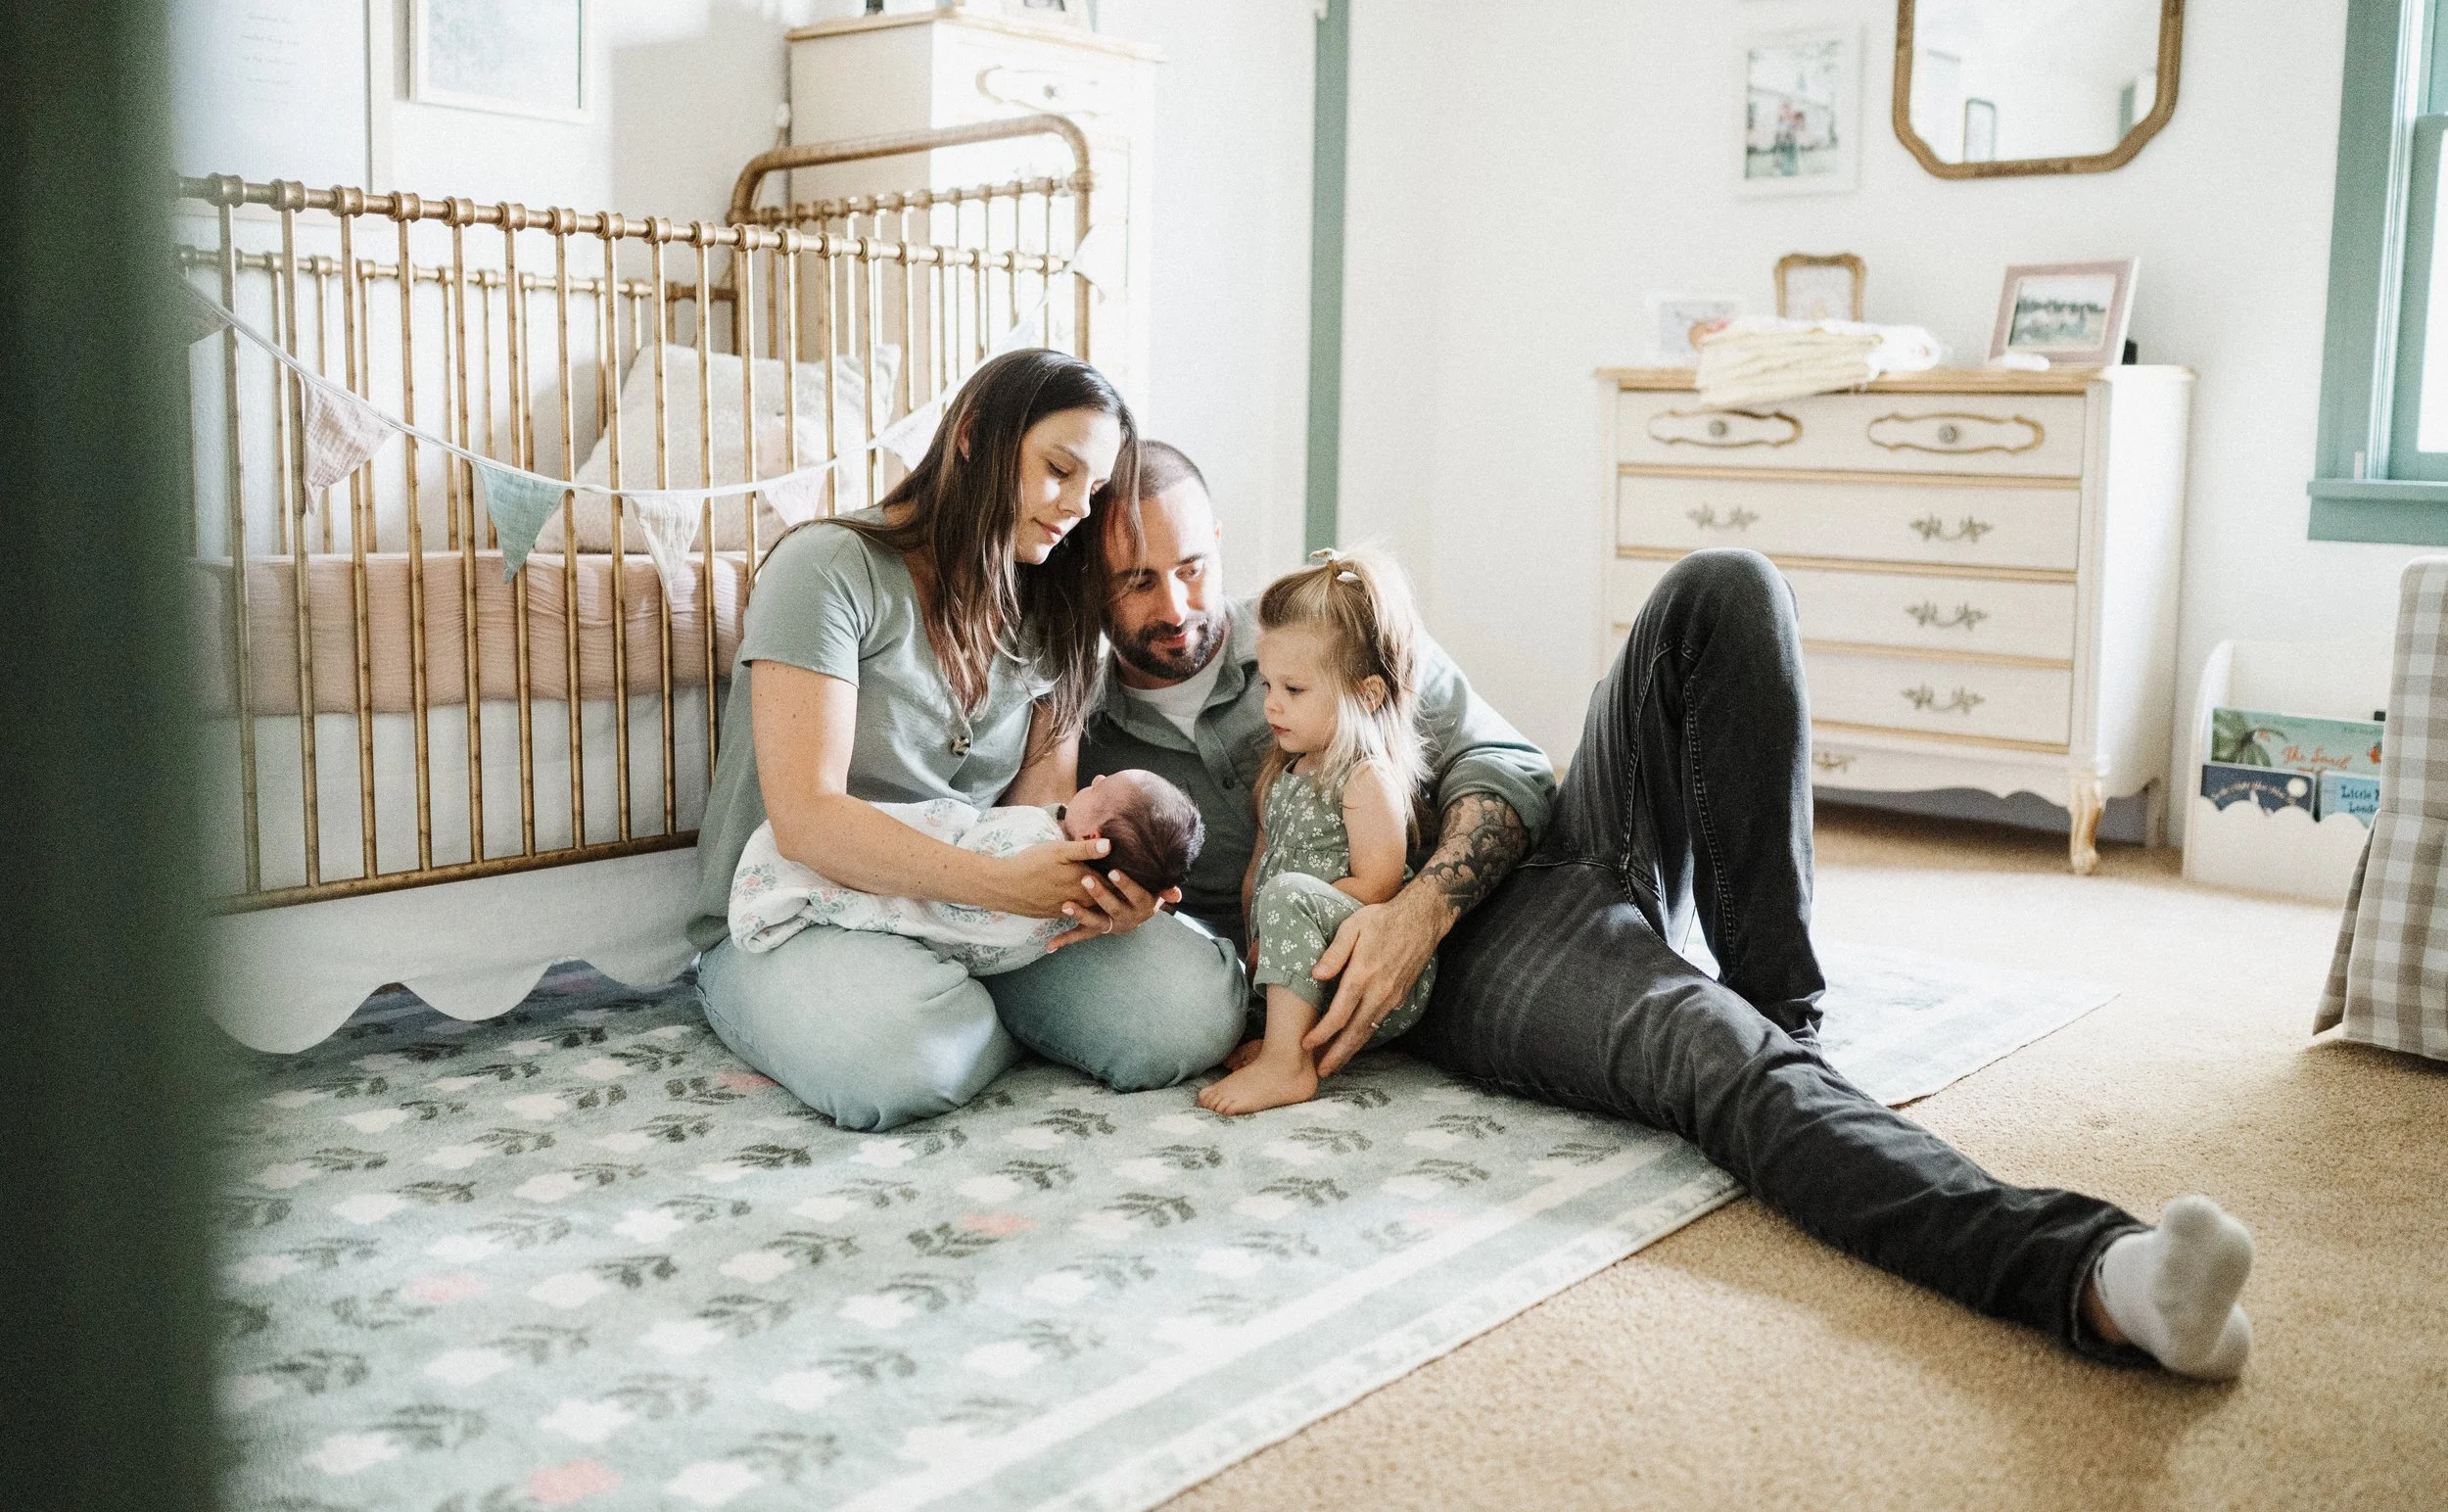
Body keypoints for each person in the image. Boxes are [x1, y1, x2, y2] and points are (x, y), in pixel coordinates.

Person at [1083, 442, 2256, 1381]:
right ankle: (2099, 1278)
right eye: (1137, 578)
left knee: (1725, 588)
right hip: (1480, 974)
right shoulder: (1081, 731)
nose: (1180, 600)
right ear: (1089, 583)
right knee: (1712, 1061)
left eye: (1191, 564)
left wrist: (1422, 904)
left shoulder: (1314, 623)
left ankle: (1781, 1016)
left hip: (1500, 875)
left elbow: (1511, 762)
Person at [685, 353, 1246, 1132]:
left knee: (1196, 1008)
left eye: (1093, 490)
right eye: (1059, 470)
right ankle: (967, 1012)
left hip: (982, 914)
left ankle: (969, 1003)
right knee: (906, 1058)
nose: (1076, 509)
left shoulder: (1051, 607)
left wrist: (1090, 885)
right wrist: (995, 885)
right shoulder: (828, 570)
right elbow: (805, 817)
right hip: (799, 908)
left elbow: (1044, 806)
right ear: (976, 437)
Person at [1199, 549, 1436, 1115]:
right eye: (1268, 686)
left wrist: (1289, 917)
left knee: (1286, 893)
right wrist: (1266, 931)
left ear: (1368, 694)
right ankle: (1287, 1038)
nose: (1272, 705)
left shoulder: (1364, 778)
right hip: (1302, 949)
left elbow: (1379, 885)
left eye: (1295, 690)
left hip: (1365, 968)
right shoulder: (1284, 771)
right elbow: (1262, 867)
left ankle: (1287, 1066)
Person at [727, 769, 1203, 974]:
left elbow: (976, 834)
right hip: (849, 845)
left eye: (1103, 788)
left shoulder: (1032, 837)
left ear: (1089, 839)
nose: (1095, 778)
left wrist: (1126, 908)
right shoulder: (1072, 907)